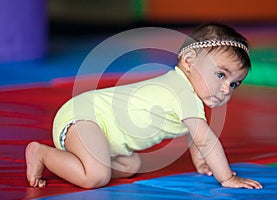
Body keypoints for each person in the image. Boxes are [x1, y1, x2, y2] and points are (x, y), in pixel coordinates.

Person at [25, 23, 263, 189]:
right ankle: (43, 153)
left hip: (99, 130)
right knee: (95, 177)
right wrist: (227, 178)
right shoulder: (182, 92)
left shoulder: (189, 97)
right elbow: (205, 139)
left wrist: (201, 162)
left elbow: (194, 135)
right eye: (221, 75)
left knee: (131, 165)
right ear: (189, 61)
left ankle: (82, 160)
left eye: (234, 84)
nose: (226, 89)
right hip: (86, 117)